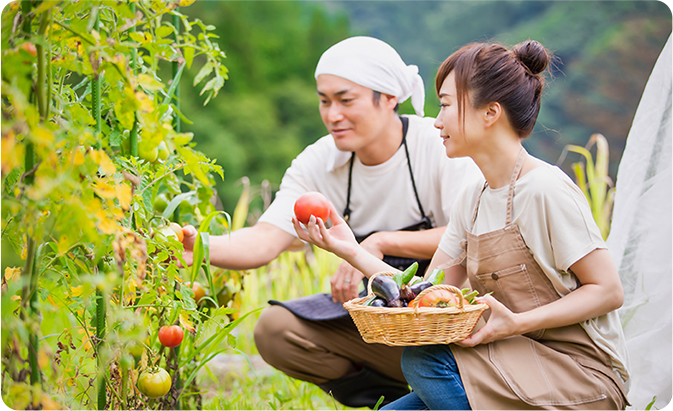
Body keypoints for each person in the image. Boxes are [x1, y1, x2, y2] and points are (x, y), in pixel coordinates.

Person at [294, 39, 631, 410]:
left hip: (578, 376)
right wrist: (350, 249)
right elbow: (423, 295)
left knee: (424, 360)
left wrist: (516, 323)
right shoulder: (473, 197)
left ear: (490, 113)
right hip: (508, 362)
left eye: (446, 105)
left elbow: (608, 290)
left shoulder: (544, 189)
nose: (436, 121)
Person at [180, 36, 481, 408]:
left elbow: (471, 236)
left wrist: (380, 243)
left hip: (448, 323)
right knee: (277, 330)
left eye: (345, 99)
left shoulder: (437, 145)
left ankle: (445, 388)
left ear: (388, 98)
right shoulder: (319, 161)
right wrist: (197, 246)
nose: (332, 114)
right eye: (324, 101)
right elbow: (263, 240)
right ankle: (379, 400)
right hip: (379, 317)